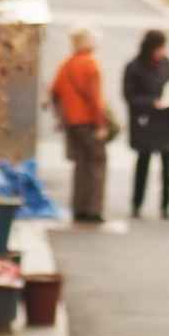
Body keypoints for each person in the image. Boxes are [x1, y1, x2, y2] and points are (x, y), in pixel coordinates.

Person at [123, 30, 169, 220]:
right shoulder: (134, 67)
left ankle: (165, 205)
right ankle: (137, 203)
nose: (163, 51)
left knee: (167, 166)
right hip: (146, 123)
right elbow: (130, 96)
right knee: (143, 163)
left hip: (166, 122)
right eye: (160, 48)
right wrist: (151, 103)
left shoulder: (166, 64)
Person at [50, 27, 109, 223]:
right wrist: (101, 124)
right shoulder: (91, 64)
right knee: (96, 164)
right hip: (88, 121)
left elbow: (55, 91)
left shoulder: (66, 64)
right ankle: (93, 209)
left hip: (71, 121)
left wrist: (61, 117)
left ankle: (78, 206)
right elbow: (95, 99)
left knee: (80, 165)